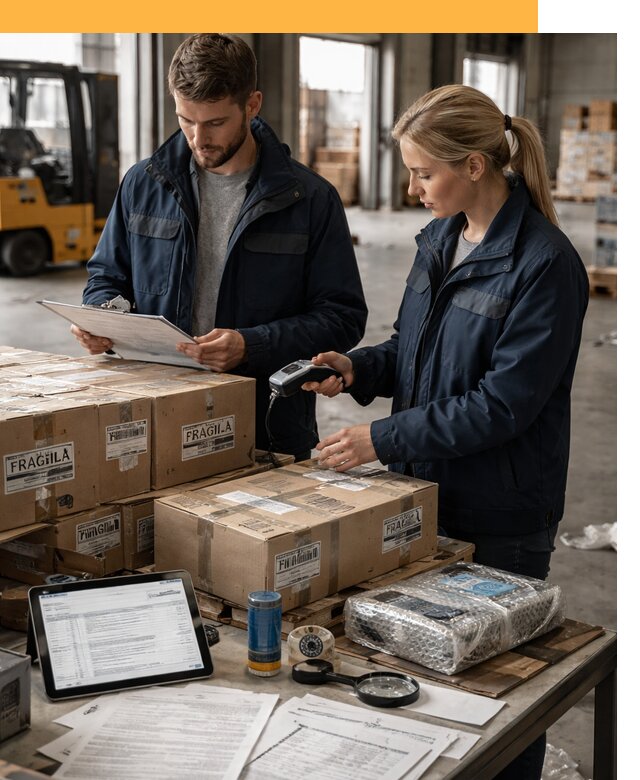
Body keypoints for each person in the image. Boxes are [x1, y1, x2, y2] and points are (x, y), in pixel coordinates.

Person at [304, 85, 589, 780]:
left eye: (423, 173)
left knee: (497, 698)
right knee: (428, 682)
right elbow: (415, 346)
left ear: (474, 166)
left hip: (500, 514)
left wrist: (382, 440)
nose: (411, 188)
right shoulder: (441, 237)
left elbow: (501, 406)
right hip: (425, 495)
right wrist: (357, 368)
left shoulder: (546, 267)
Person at [71, 33, 367, 461]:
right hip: (155, 407)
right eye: (185, 120)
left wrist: (252, 344)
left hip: (265, 422)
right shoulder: (143, 183)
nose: (197, 137)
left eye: (214, 123)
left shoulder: (309, 199)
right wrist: (102, 316)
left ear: (252, 104)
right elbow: (107, 275)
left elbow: (342, 317)